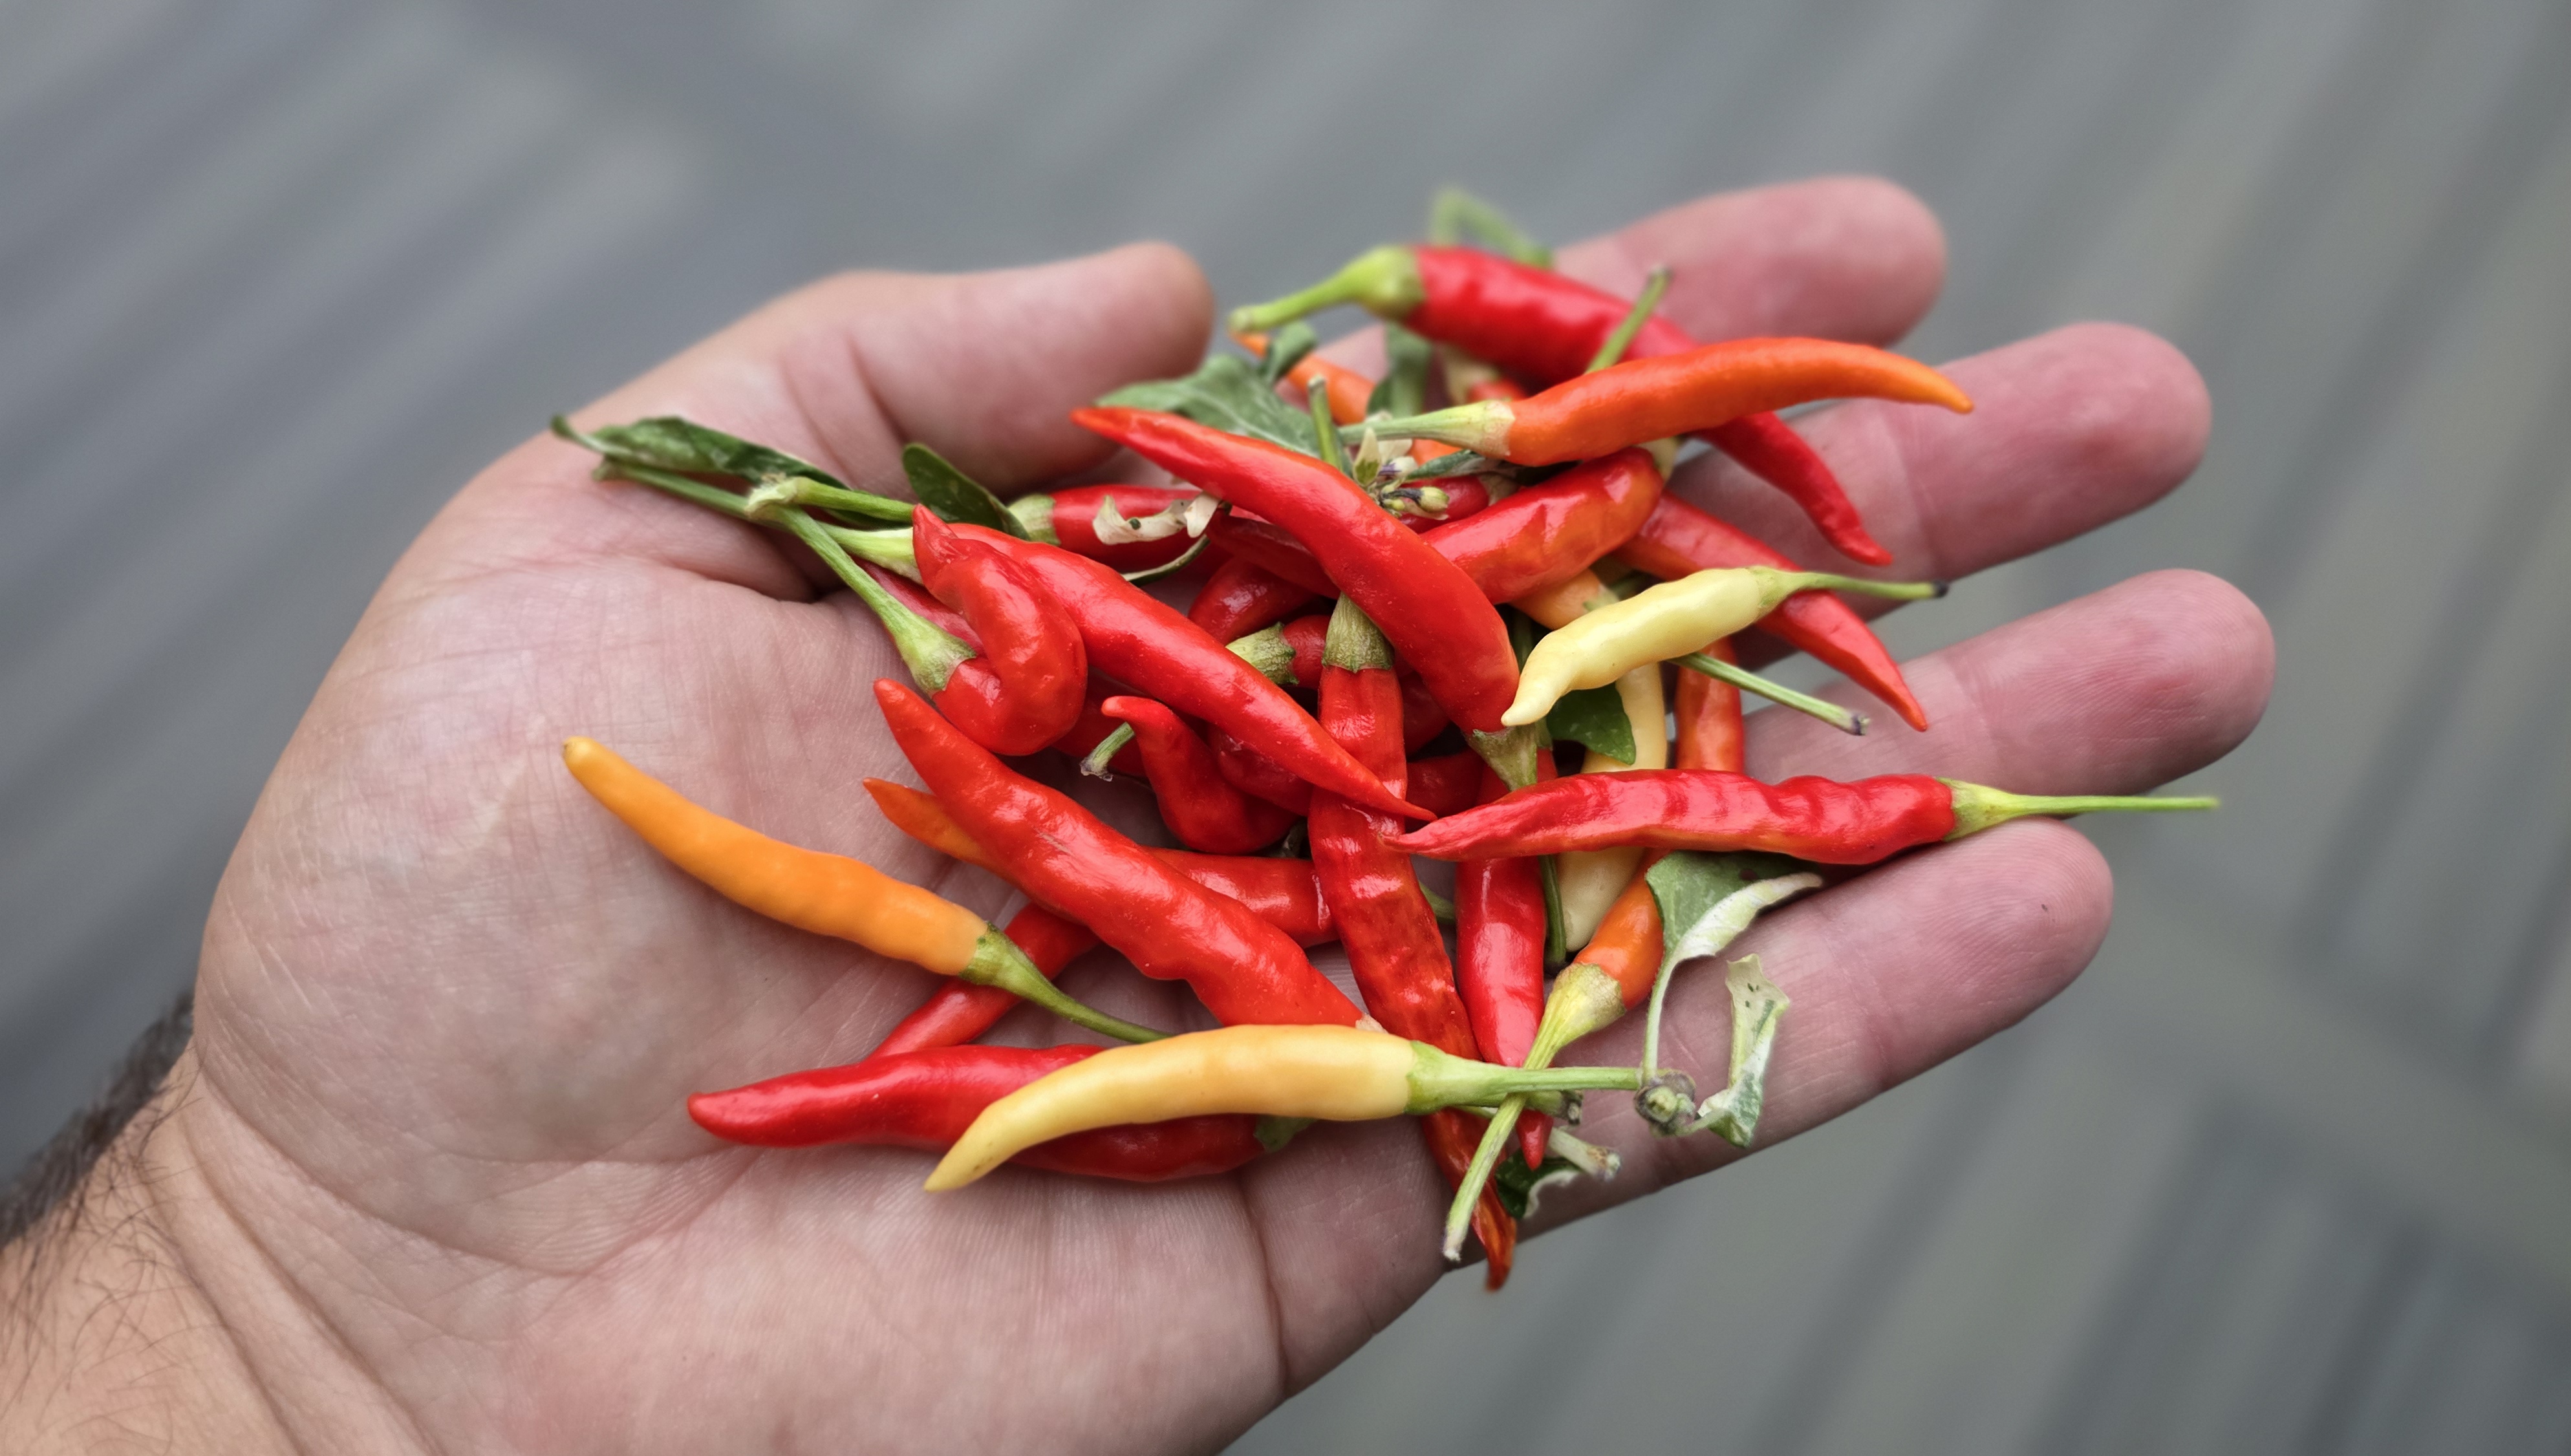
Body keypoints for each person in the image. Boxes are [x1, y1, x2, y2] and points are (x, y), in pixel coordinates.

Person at [0, 178, 2269, 1453]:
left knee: (1486, 801)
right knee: (1362, 843)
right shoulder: (1211, 661)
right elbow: (1259, 768)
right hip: (1321, 839)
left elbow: (1410, 771)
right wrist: (269, 1301)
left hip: (1384, 827)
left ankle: (1492, 1054)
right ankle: (1487, 1059)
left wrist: (263, 1328)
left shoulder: (1422, 630)